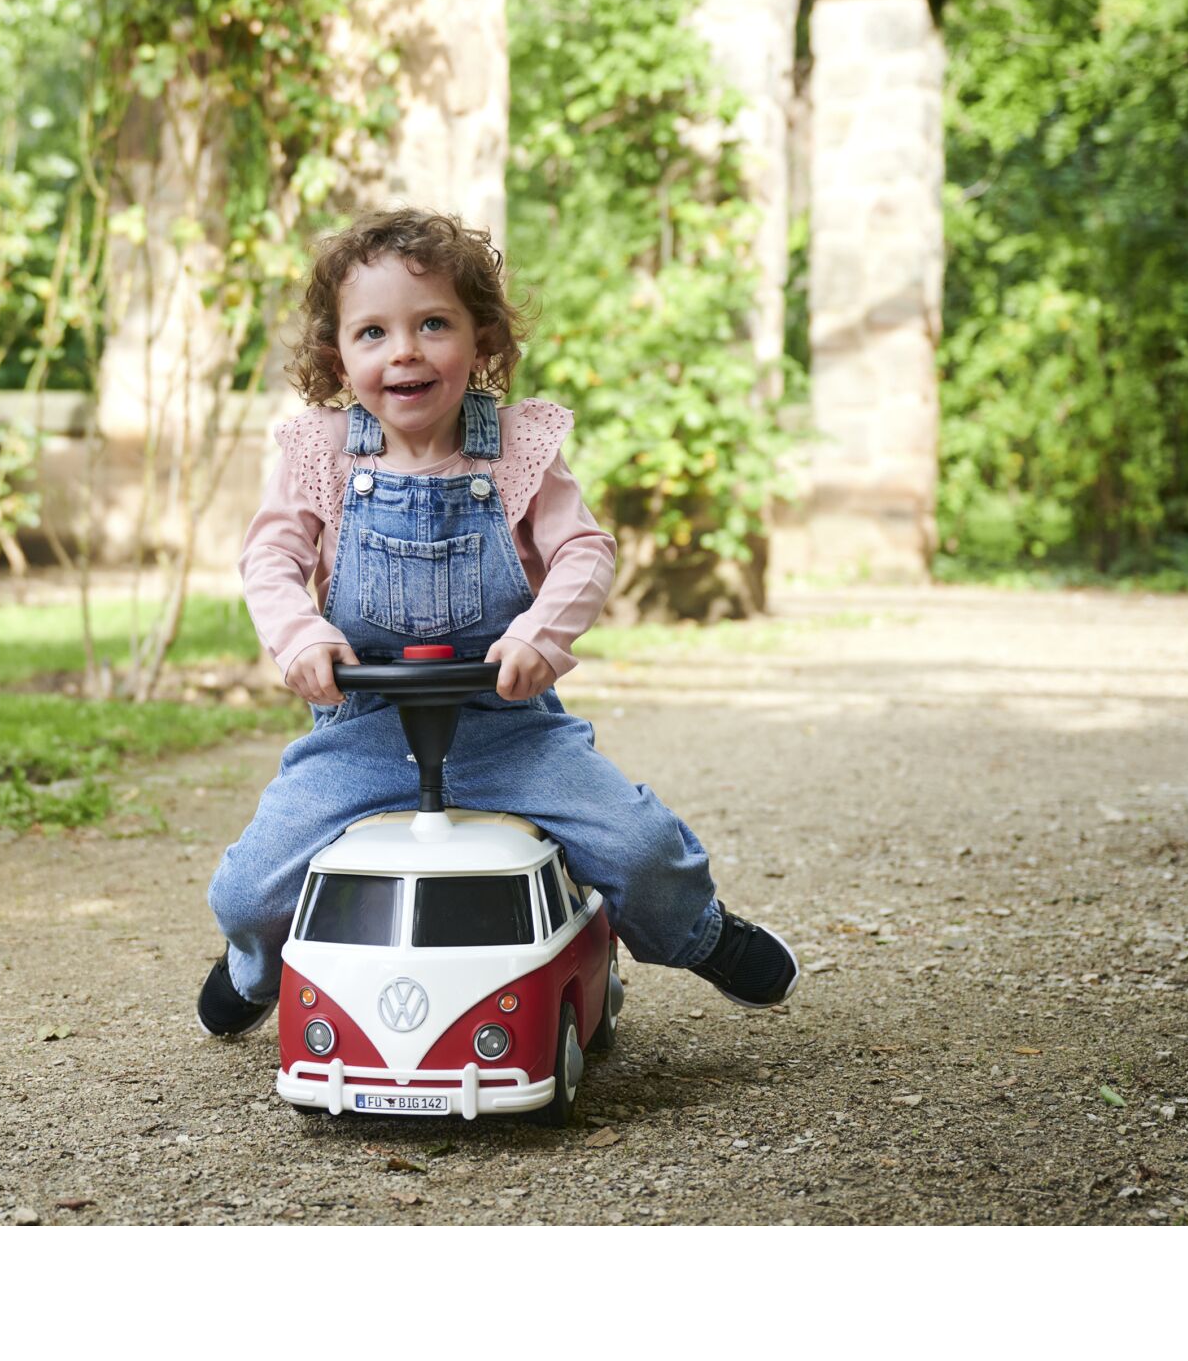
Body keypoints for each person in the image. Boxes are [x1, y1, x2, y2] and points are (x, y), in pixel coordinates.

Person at [197, 207, 799, 1036]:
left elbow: (583, 552)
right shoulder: (322, 453)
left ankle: (698, 931)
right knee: (248, 886)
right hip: (363, 730)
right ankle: (260, 967)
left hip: (505, 726)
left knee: (636, 847)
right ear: (339, 355)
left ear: (481, 341)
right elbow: (269, 560)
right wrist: (302, 636)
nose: (403, 350)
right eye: (372, 332)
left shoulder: (516, 449)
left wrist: (538, 637)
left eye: (432, 323)